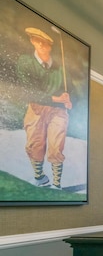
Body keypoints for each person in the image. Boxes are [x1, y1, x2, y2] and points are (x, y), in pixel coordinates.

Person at [16, 27, 72, 189]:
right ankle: (40, 178)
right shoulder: (25, 62)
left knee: (56, 146)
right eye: (36, 40)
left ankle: (56, 185)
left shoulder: (60, 67)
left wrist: (68, 100)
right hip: (36, 108)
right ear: (32, 41)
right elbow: (29, 92)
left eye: (45, 42)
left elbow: (69, 91)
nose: (41, 44)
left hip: (58, 111)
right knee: (35, 145)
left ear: (50, 45)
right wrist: (57, 98)